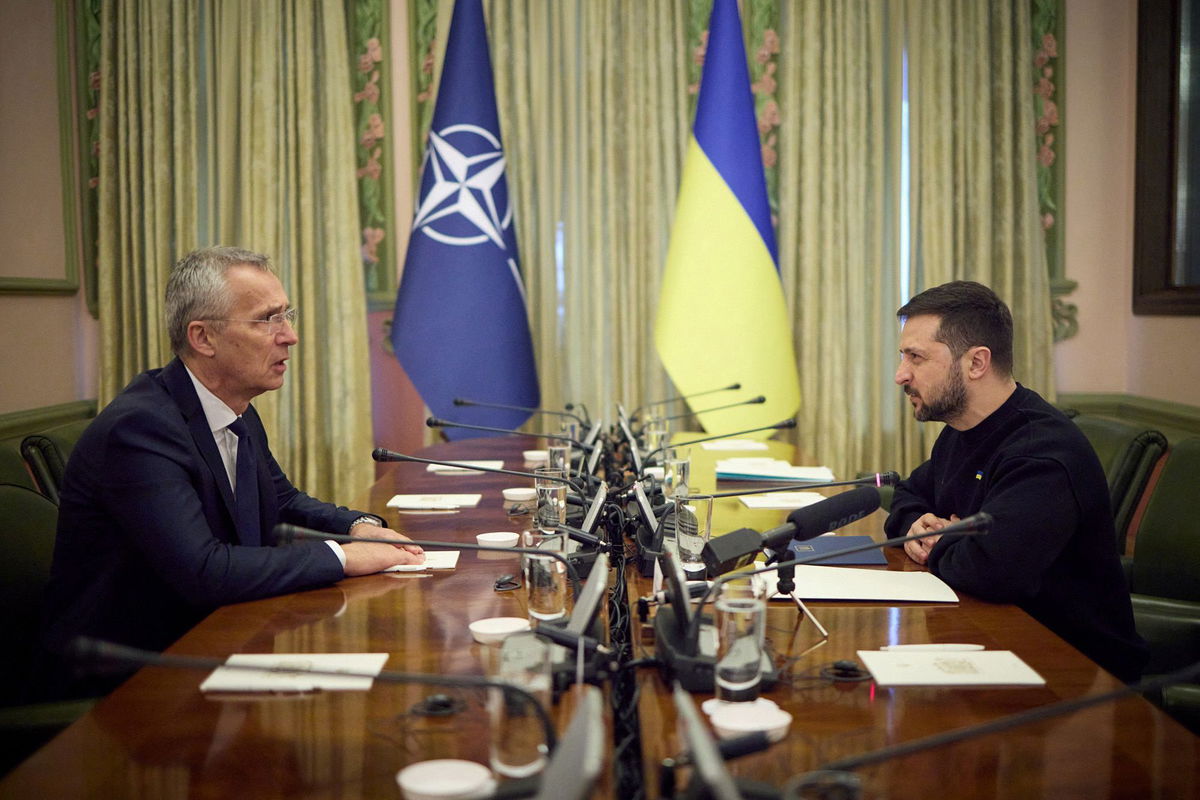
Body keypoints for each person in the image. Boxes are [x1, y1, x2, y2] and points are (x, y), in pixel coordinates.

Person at [40, 247, 423, 698]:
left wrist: (359, 527)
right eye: (268, 319)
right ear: (203, 338)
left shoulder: (232, 406)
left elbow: (281, 501)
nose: (290, 336)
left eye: (287, 314)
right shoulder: (141, 429)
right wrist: (343, 556)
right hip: (128, 681)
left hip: (211, 642)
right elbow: (203, 571)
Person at [884, 280, 1147, 683]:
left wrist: (941, 542)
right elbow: (906, 493)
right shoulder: (962, 429)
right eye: (904, 356)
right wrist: (915, 523)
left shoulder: (1043, 452)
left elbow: (991, 571)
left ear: (976, 363)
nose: (901, 375)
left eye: (916, 358)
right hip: (993, 641)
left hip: (1075, 675)